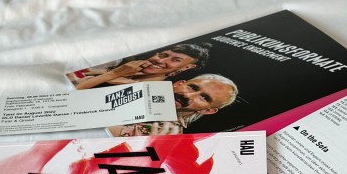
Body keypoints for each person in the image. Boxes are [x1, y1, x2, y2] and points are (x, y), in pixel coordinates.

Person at [112, 73, 238, 136]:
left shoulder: (166, 130)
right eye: (192, 87)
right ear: (178, 84)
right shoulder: (140, 88)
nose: (188, 96)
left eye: (204, 98)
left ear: (207, 111)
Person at [70, 43, 212, 89]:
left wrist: (114, 74)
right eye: (163, 55)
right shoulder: (119, 66)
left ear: (186, 68)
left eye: (176, 60)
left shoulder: (150, 91)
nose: (160, 61)